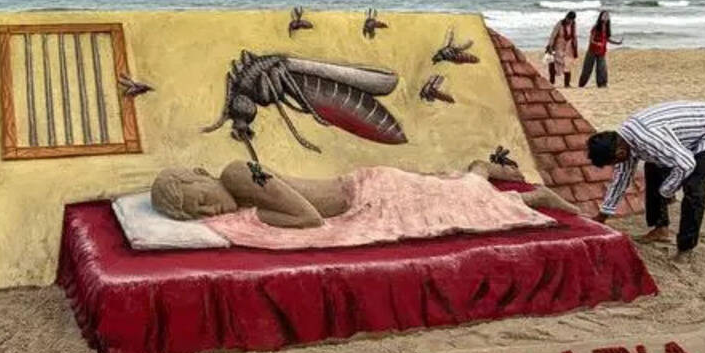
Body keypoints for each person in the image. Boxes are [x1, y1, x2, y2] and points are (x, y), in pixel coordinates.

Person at [150, 159, 580, 228]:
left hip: (372, 193)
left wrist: (251, 218)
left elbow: (308, 219)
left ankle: (535, 196)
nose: (208, 211)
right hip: (365, 197)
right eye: (197, 214)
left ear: (201, 174)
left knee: (469, 206)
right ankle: (479, 169)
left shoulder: (239, 174)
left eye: (200, 200)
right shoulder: (240, 190)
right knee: (454, 197)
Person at [586, 101, 705, 254]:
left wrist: (666, 191)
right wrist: (602, 216)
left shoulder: (648, 139)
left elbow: (686, 164)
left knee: (693, 186)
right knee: (652, 167)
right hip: (687, 130)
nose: (617, 165)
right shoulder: (622, 141)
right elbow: (621, 179)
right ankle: (661, 229)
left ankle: (686, 247)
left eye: (614, 162)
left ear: (619, 153)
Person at [579, 10, 621, 88]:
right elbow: (591, 40)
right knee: (587, 68)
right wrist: (597, 43)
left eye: (607, 16)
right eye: (604, 15)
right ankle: (581, 84)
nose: (606, 17)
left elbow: (607, 39)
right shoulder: (596, 27)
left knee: (602, 68)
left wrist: (617, 43)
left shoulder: (607, 28)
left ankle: (602, 84)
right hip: (592, 50)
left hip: (602, 51)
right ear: (600, 17)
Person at [545, 11, 580, 87]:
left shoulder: (573, 25)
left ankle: (567, 84)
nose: (569, 21)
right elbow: (553, 35)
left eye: (571, 20)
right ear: (566, 17)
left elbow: (574, 36)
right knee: (555, 64)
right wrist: (550, 46)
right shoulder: (560, 24)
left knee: (567, 64)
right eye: (568, 19)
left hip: (569, 48)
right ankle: (551, 82)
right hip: (558, 46)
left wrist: (575, 48)